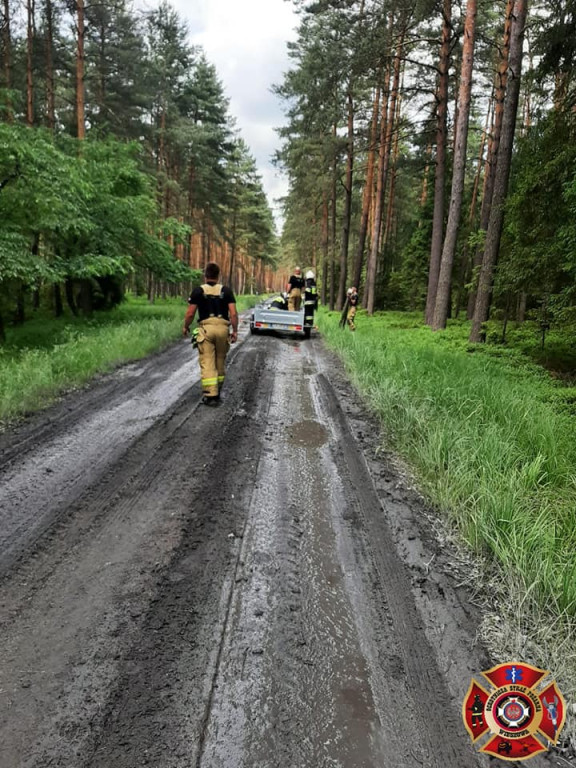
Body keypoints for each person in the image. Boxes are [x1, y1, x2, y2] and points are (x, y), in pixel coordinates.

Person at [182, 262, 238, 406]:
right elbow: (233, 313)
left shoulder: (198, 291)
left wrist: (186, 327)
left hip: (206, 328)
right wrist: (235, 331)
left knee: (207, 361)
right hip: (223, 328)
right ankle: (218, 390)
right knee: (220, 360)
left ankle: (211, 395)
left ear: (205, 275)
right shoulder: (226, 291)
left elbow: (190, 313)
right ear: (218, 276)